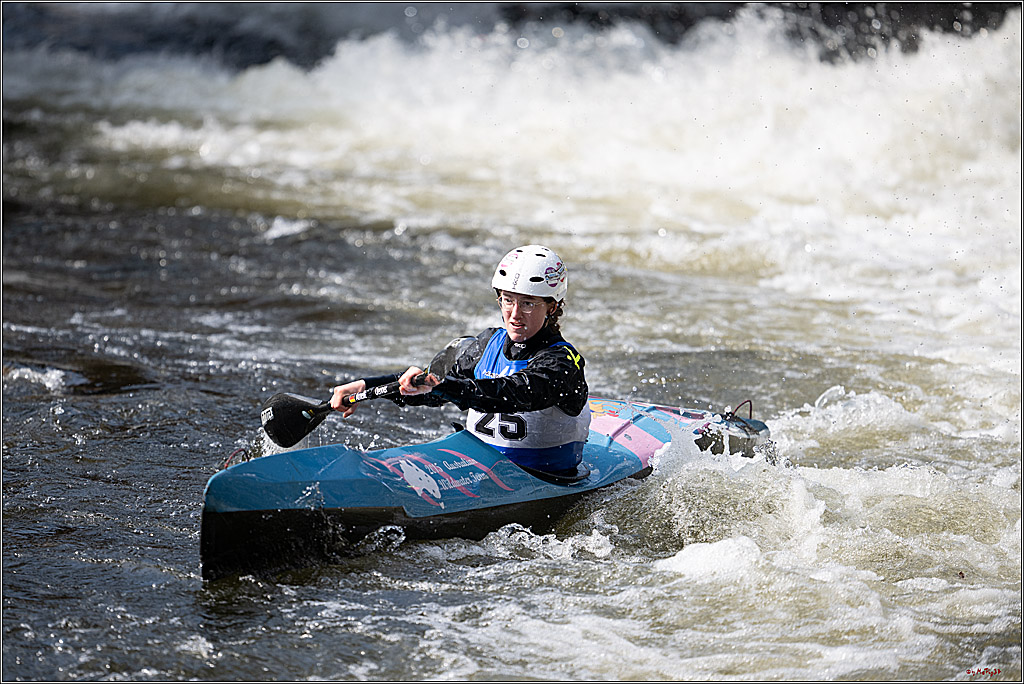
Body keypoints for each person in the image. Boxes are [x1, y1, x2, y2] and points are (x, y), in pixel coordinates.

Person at [330, 245, 590, 475]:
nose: (514, 314)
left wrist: (443, 385)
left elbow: (513, 393)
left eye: (528, 304)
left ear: (552, 307)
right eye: (507, 300)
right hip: (477, 468)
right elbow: (430, 392)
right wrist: (367, 386)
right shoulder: (486, 344)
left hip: (545, 476)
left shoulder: (562, 363)